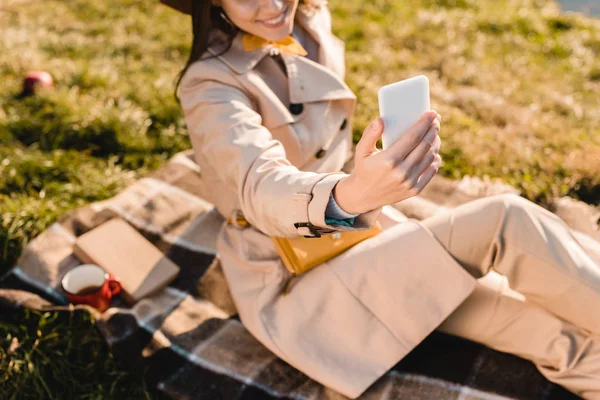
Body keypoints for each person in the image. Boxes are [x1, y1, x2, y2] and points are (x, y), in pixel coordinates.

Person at [162, 0, 600, 398]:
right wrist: (350, 194)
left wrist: (366, 199)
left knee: (558, 337)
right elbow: (261, 186)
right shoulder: (209, 84)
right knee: (504, 220)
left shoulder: (310, 16)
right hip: (294, 280)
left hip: (360, 232)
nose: (274, 6)